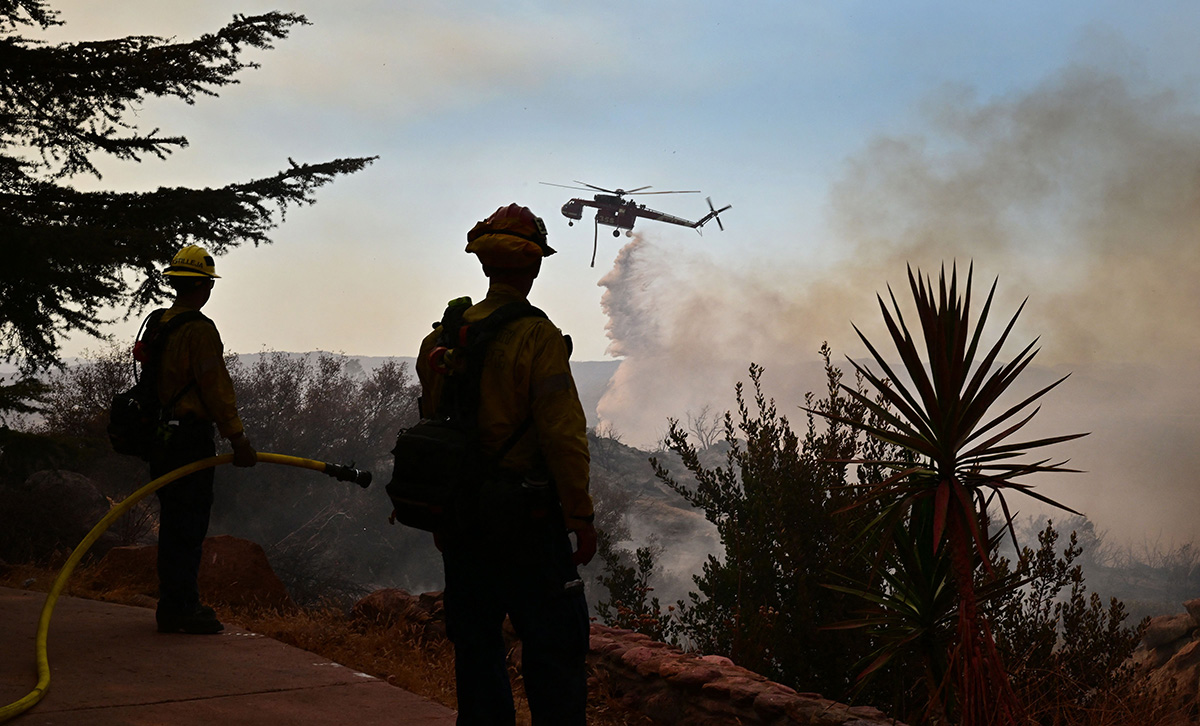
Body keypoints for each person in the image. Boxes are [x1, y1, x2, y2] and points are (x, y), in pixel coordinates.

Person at [416, 204, 597, 725]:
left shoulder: (442, 339)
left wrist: (442, 514)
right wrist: (580, 517)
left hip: (462, 518)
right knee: (555, 651)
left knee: (475, 647)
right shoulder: (537, 337)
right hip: (526, 523)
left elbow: (433, 424)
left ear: (485, 264)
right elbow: (563, 435)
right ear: (535, 264)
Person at [149, 244, 257, 634]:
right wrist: (238, 439)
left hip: (159, 439)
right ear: (205, 288)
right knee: (188, 524)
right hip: (188, 440)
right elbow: (216, 388)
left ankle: (172, 603)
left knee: (173, 522)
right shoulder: (198, 330)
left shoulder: (159, 322)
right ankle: (182, 608)